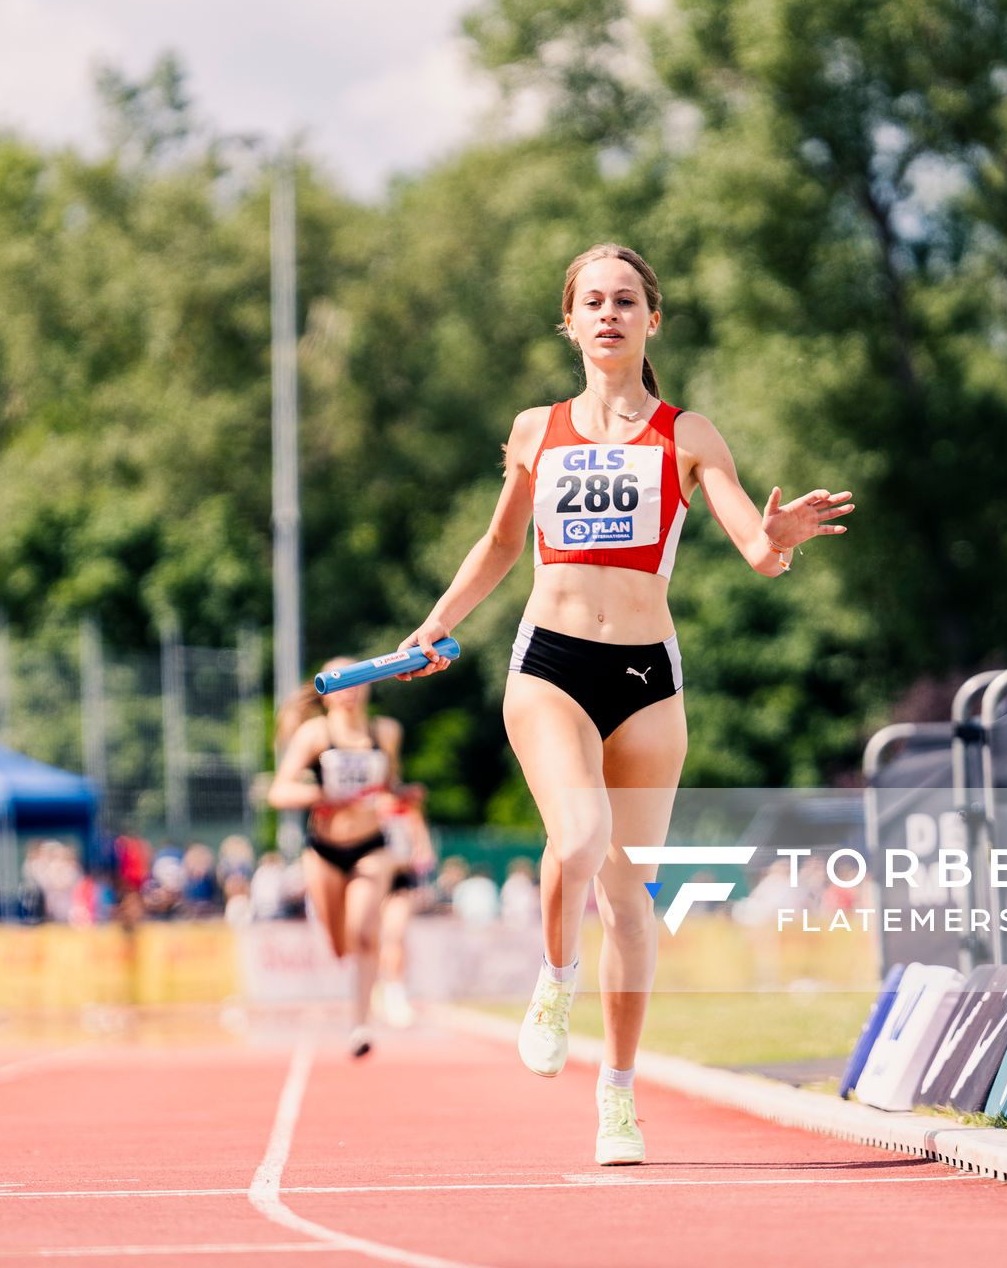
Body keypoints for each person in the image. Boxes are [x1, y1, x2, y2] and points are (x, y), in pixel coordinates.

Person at [398, 243, 852, 1164]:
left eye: (627, 301)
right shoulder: (536, 430)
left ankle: (617, 1097)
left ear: (653, 320)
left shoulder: (689, 435)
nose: (609, 314)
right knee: (576, 838)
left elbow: (755, 551)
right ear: (569, 322)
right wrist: (432, 628)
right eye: (593, 301)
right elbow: (496, 546)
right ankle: (556, 980)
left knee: (631, 898)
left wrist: (779, 536)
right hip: (550, 665)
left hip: (648, 680)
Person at [265, 659, 405, 1059]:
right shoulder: (315, 734)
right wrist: (320, 796)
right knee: (340, 943)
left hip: (370, 845)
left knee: (363, 930)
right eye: (342, 681)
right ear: (327, 691)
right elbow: (279, 792)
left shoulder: (386, 732)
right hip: (324, 850)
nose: (352, 688)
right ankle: (357, 986)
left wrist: (402, 798)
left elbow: (390, 787)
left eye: (359, 679)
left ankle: (360, 1024)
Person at [375, 787, 434, 1028]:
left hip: (400, 880)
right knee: (380, 939)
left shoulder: (409, 813)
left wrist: (413, 862)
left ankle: (396, 992)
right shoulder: (369, 809)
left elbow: (425, 853)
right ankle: (383, 986)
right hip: (375, 878)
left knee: (395, 935)